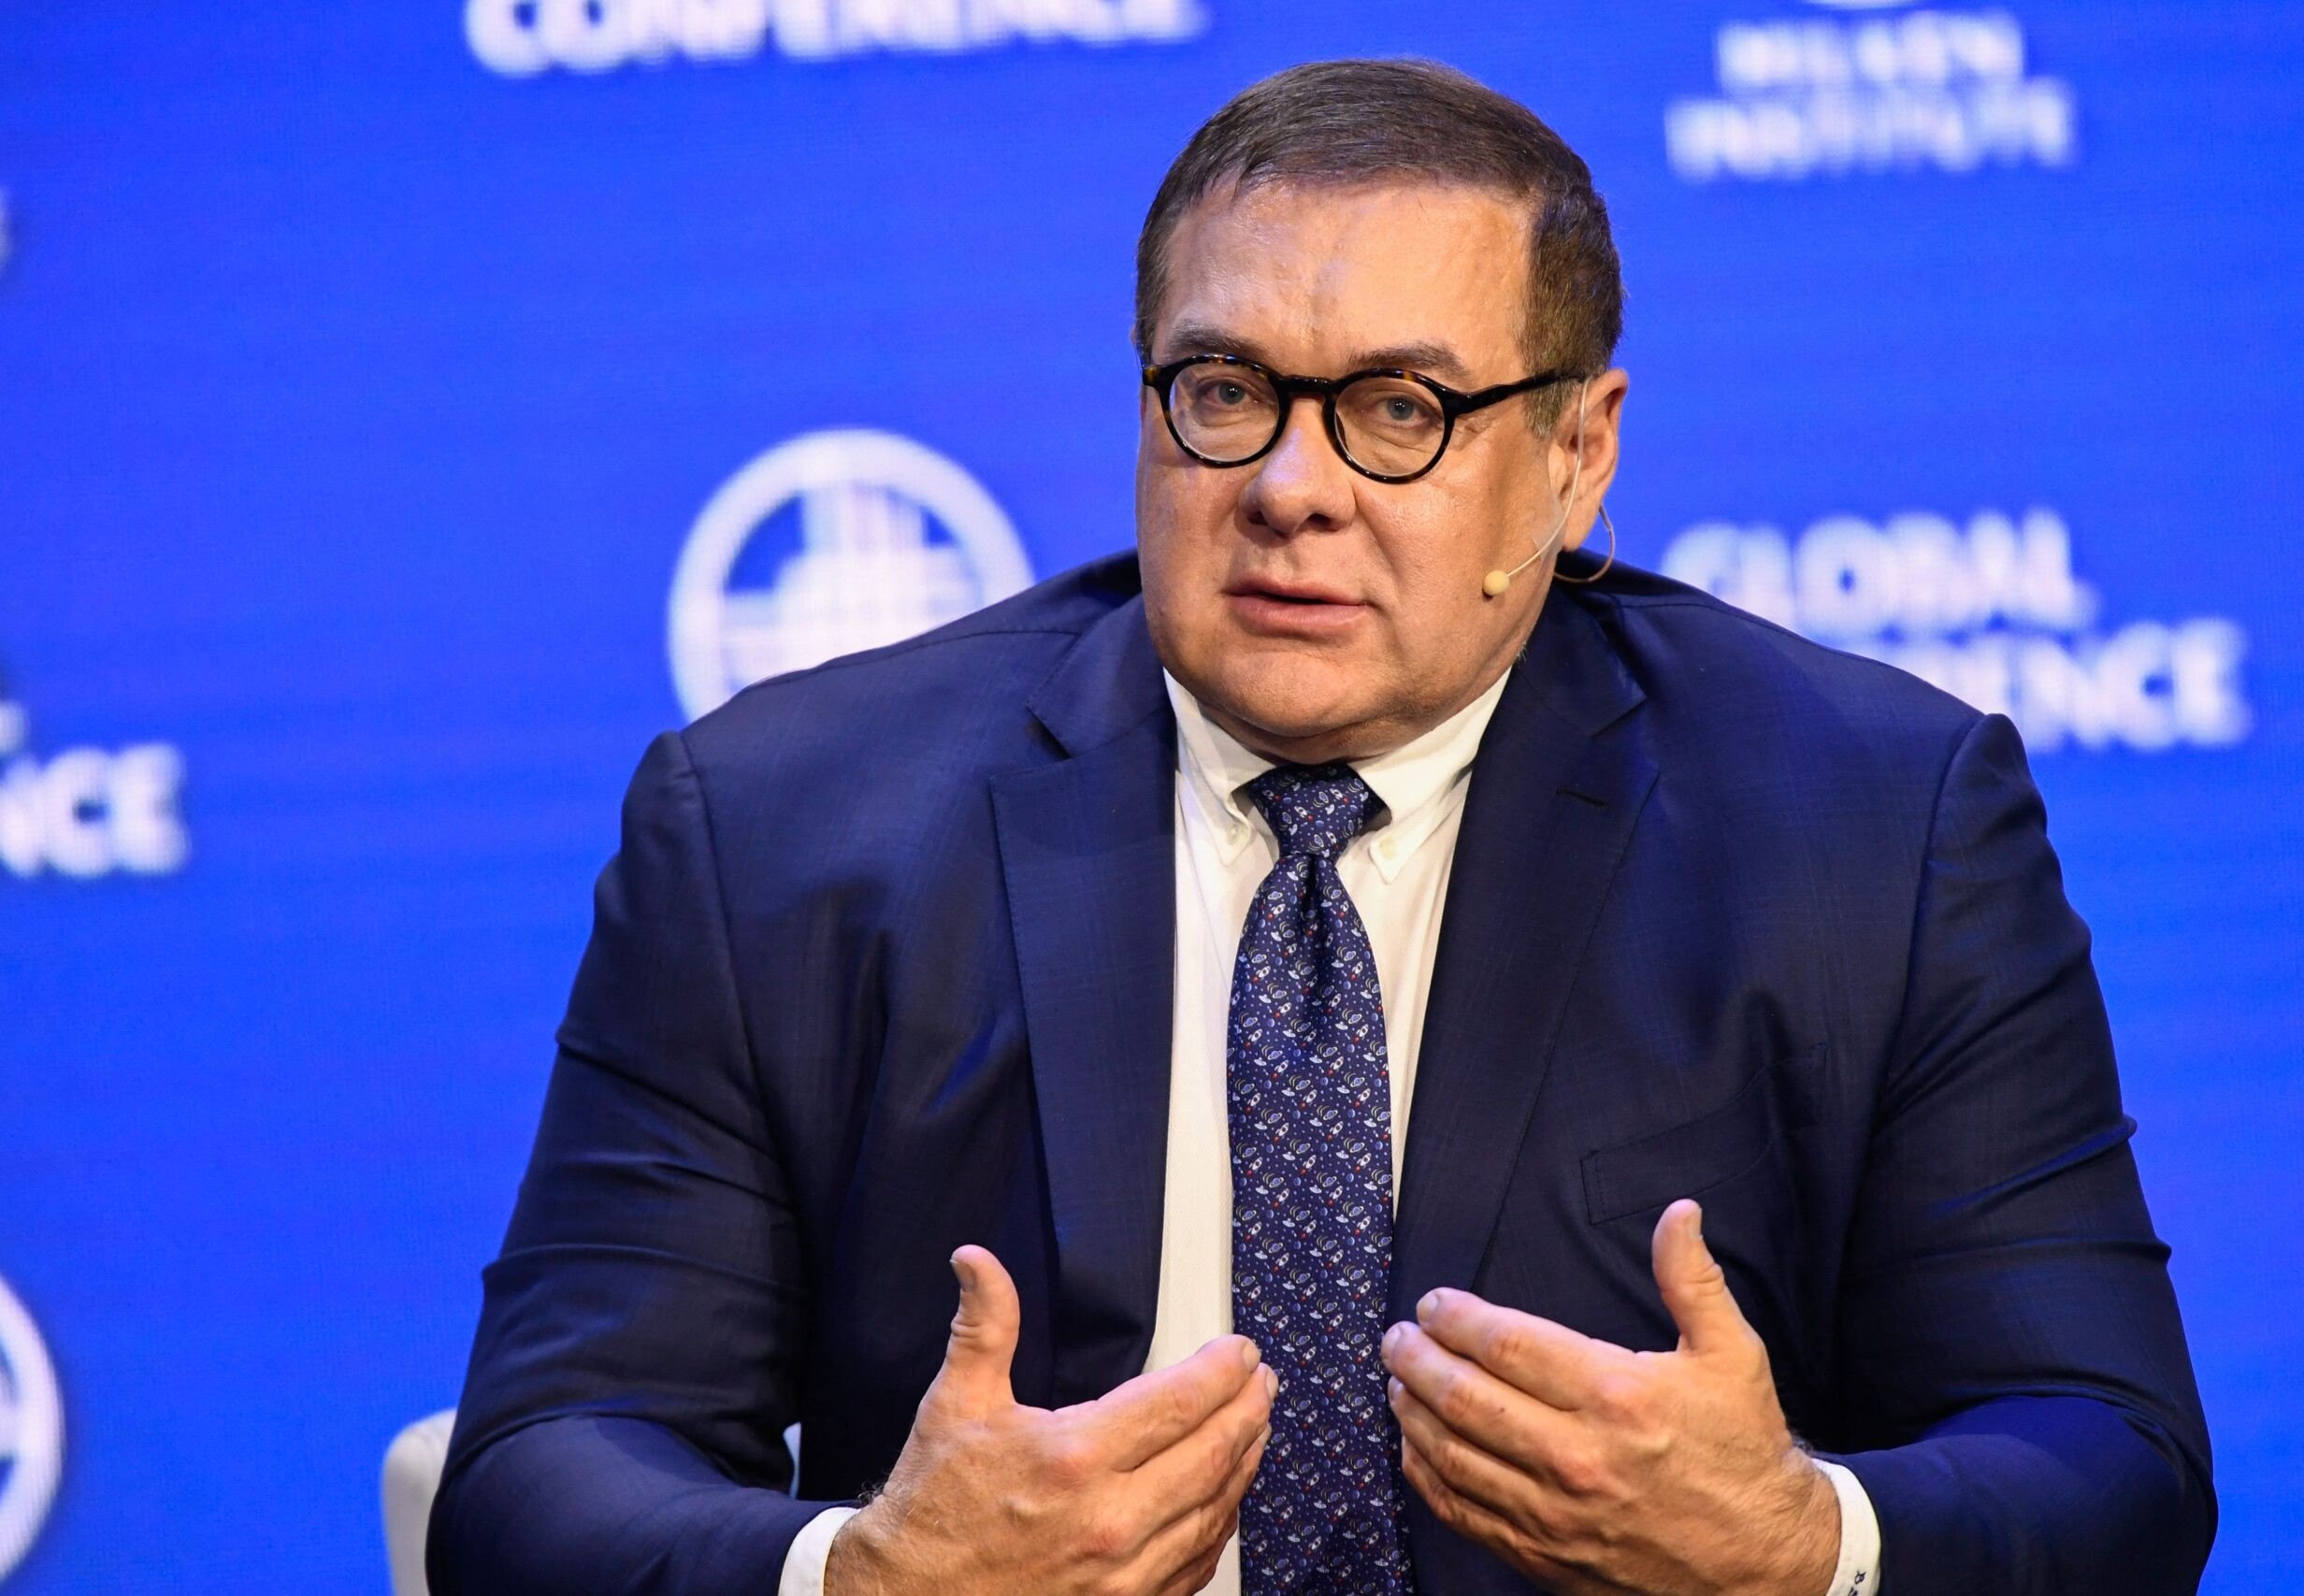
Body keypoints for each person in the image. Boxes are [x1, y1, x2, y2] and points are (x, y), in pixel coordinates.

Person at [428, 59, 2213, 1596]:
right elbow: (537, 1472)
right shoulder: (782, 831)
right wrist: (862, 1573)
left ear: (1577, 456)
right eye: (1226, 393)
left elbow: (2110, 1454)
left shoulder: (1870, 827)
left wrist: (1804, 1540)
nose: (1291, 487)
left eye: (1396, 411)